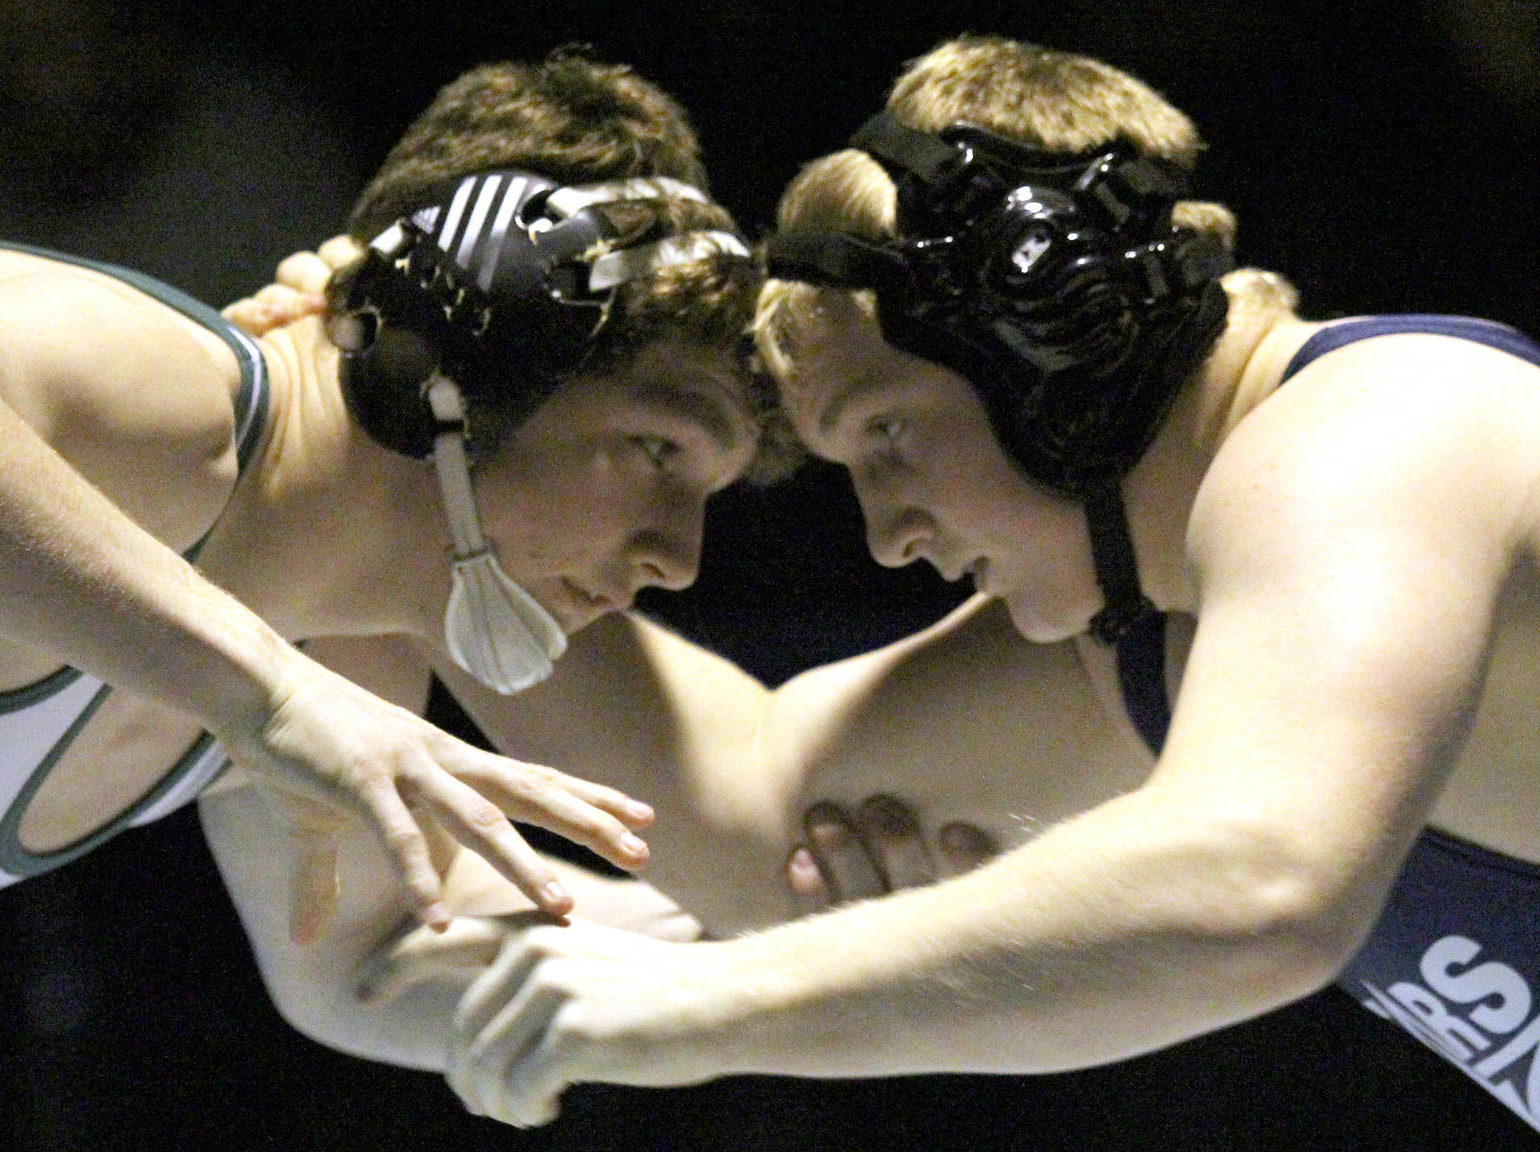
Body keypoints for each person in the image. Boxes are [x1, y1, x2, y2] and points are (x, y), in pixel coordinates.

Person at [329, 35, 1540, 1134]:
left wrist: (710, 1001)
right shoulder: (1160, 641)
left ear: (1057, 332)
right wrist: (409, 456)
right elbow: (759, 822)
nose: (891, 538)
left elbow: (1260, 886)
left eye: (890, 434)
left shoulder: (1392, 426)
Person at [0, 52, 787, 1148]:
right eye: (658, 449)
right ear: (475, 349)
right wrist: (266, 696)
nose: (677, 557)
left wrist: (801, 968)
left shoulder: (345, 659)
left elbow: (366, 962)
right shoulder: (166, 404)